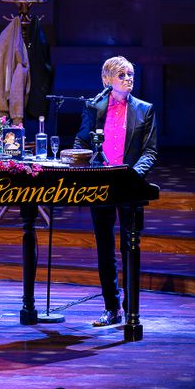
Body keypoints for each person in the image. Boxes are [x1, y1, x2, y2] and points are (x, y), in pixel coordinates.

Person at [73, 56, 157, 326]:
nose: (128, 79)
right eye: (122, 75)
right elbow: (81, 140)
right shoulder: (94, 107)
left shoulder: (145, 110)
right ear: (107, 79)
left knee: (129, 247)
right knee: (105, 248)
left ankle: (131, 307)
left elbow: (150, 151)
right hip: (100, 183)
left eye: (131, 74)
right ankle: (112, 307)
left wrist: (132, 175)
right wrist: (81, 161)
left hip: (129, 185)